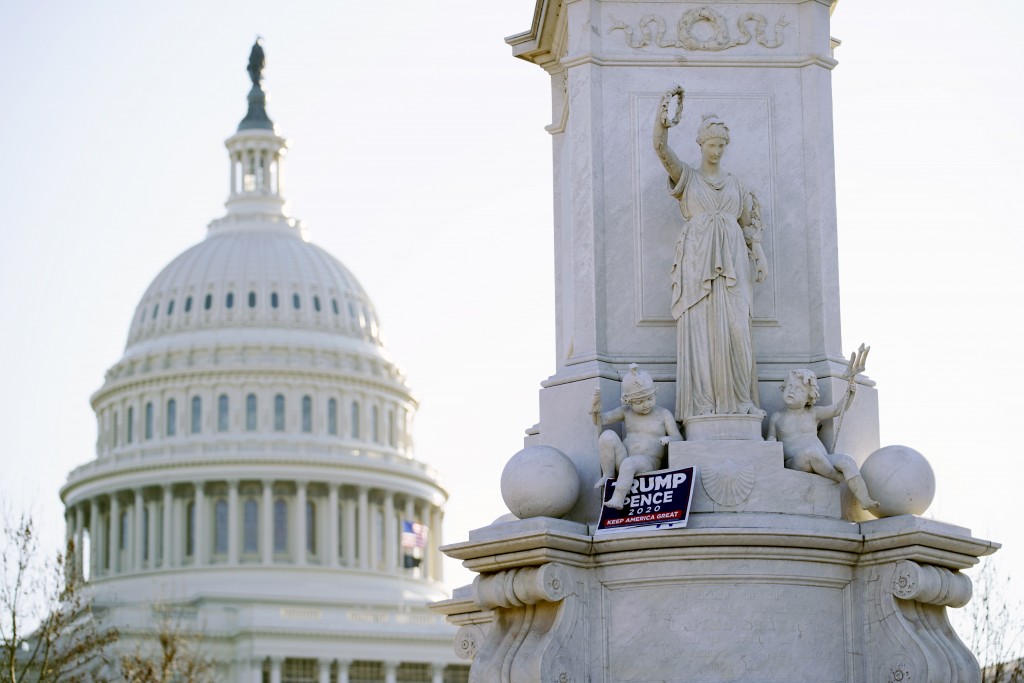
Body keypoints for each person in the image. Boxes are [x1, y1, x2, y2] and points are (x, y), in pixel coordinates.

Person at [653, 86, 768, 422]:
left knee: (737, 328)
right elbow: (660, 148)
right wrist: (662, 121)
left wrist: (759, 255)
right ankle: (702, 405)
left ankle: (740, 399)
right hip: (698, 256)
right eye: (711, 145)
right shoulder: (688, 177)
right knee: (701, 329)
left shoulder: (737, 185)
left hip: (733, 257)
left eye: (721, 145)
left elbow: (749, 226)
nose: (716, 151)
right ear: (701, 144)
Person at [766, 369, 880, 510]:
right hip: (796, 461)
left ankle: (865, 499)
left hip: (823, 458)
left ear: (809, 397)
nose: (792, 391)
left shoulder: (813, 413)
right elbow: (770, 439)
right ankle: (839, 478)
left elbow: (838, 409)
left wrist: (850, 394)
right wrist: (770, 442)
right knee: (810, 453)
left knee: (847, 460)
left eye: (799, 390)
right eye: (789, 386)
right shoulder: (777, 417)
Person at [591, 364, 683, 509]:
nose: (645, 405)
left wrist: (669, 439)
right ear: (629, 401)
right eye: (639, 402)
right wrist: (595, 410)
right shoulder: (626, 411)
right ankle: (608, 474)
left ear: (654, 394)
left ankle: (618, 498)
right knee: (607, 435)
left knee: (629, 464)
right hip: (625, 460)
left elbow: (679, 438)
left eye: (649, 399)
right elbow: (602, 420)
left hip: (649, 463)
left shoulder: (663, 414)